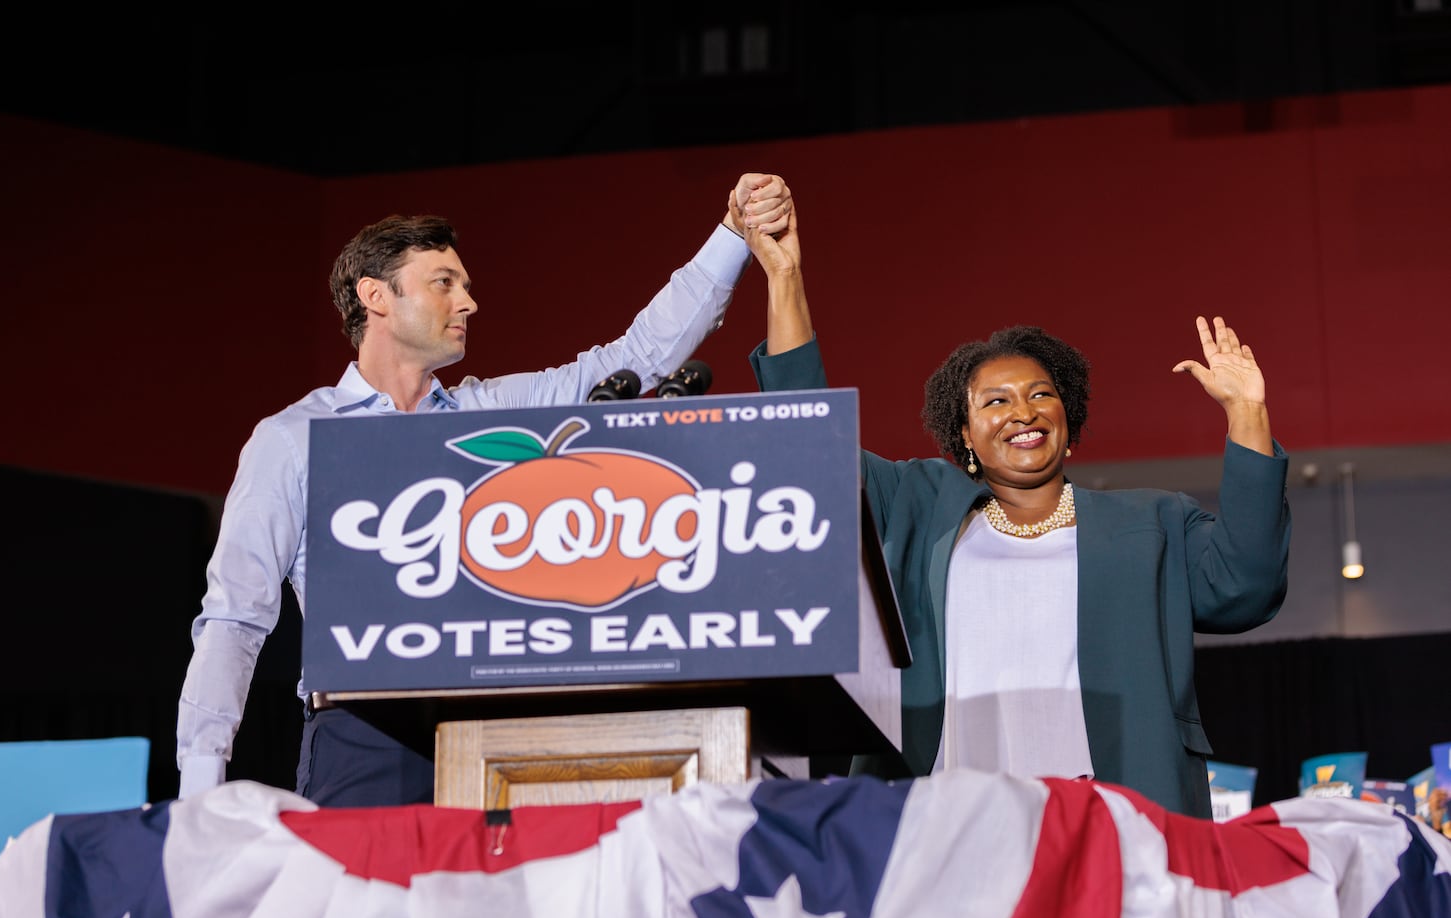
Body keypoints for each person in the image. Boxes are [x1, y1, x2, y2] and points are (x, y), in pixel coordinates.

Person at [177, 173, 795, 807]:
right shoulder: (294, 438)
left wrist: (732, 237)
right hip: (364, 732)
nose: (468, 302)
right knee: (376, 906)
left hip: (502, 729)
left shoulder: (493, 416)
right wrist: (201, 783)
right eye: (444, 283)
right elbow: (234, 615)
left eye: (466, 286)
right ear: (376, 296)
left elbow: (638, 356)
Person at [739, 200, 1290, 819]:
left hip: (1116, 819)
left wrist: (1248, 413)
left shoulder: (1152, 523)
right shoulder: (917, 506)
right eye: (995, 401)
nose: (1022, 412)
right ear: (965, 437)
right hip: (947, 821)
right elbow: (811, 441)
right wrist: (784, 279)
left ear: (1068, 420)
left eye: (1040, 395)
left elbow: (1247, 586)